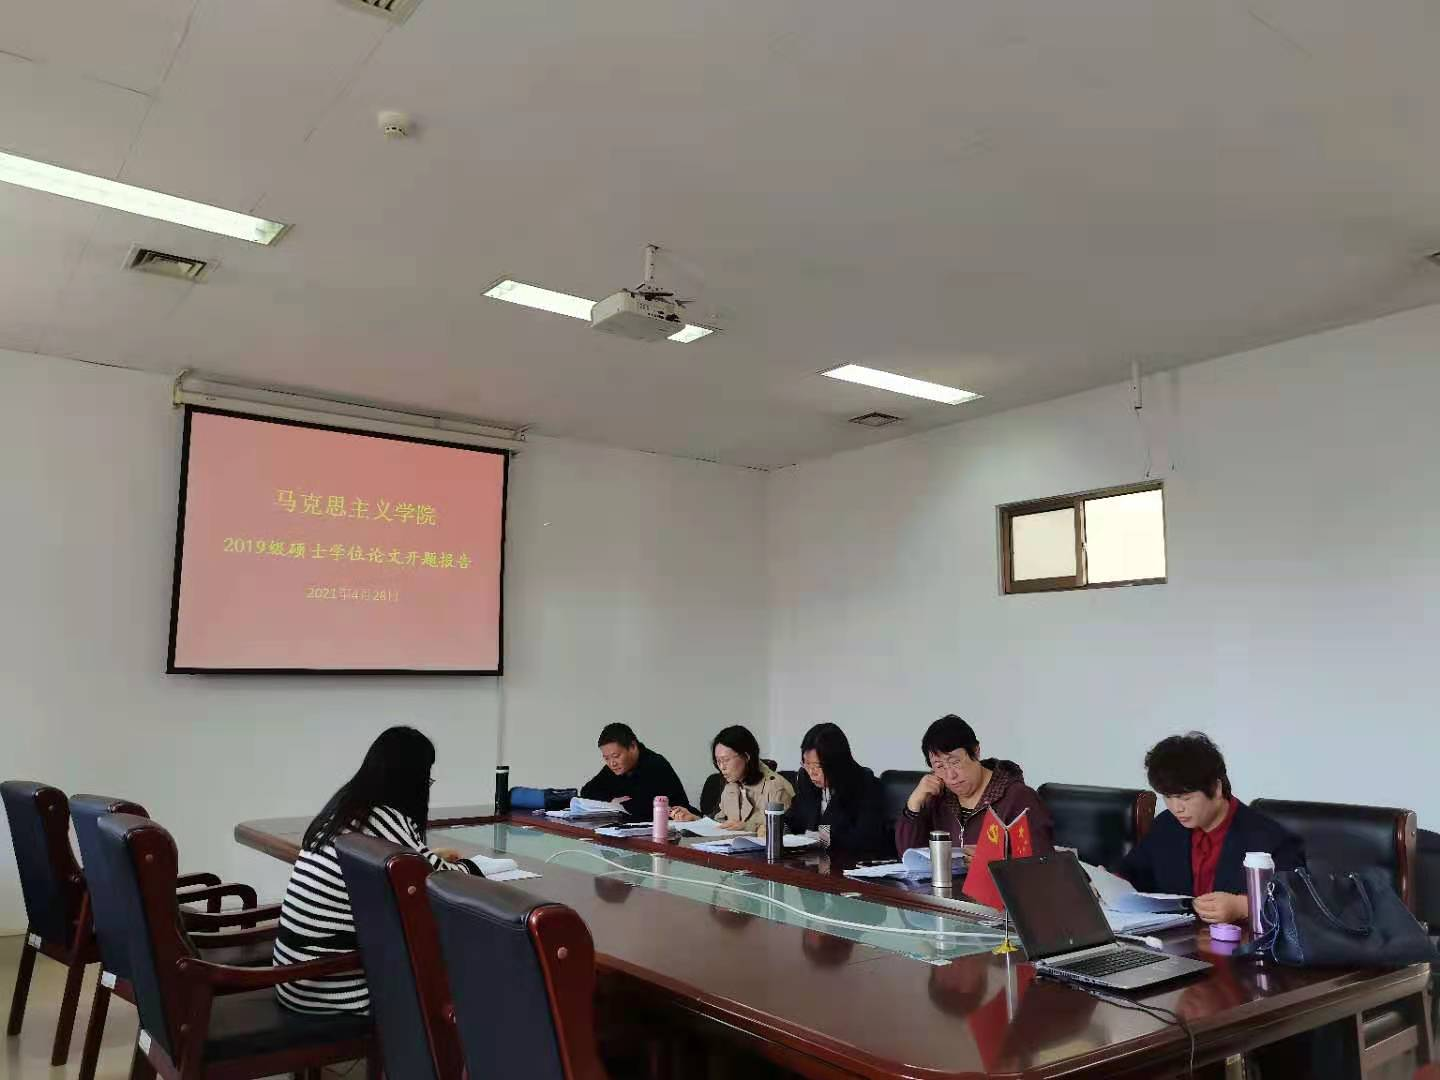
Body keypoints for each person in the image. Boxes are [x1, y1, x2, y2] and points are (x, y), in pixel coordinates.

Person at [273, 726, 483, 1014]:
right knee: (468, 962)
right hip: (333, 988)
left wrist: (429, 858)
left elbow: (416, 863)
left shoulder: (346, 809)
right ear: (412, 780)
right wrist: (474, 866)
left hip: (295, 978)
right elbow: (442, 880)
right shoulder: (385, 817)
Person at [1119, 731, 1304, 925]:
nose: (1176, 808)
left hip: (1242, 941)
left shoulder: (1271, 838)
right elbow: (1131, 873)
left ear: (1216, 788)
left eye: (1185, 798)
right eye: (1168, 797)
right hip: (1175, 938)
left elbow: (1298, 904)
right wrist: (1106, 884)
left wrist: (1244, 907)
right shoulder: (1166, 825)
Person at [895, 714, 1054, 855]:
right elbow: (909, 857)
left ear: (976, 752)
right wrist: (913, 806)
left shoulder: (1019, 798)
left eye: (955, 762)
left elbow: (1040, 865)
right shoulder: (938, 798)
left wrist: (994, 862)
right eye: (939, 766)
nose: (950, 775)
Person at [782, 722, 891, 856]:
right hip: (811, 860)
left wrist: (818, 837)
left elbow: (864, 838)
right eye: (806, 764)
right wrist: (781, 829)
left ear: (836, 763)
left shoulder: (865, 784)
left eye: (817, 766)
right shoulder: (806, 780)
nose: (811, 773)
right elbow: (792, 819)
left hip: (847, 862)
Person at [670, 725, 793, 833]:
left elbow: (786, 831)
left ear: (746, 756)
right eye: (718, 761)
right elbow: (720, 823)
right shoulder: (732, 785)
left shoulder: (776, 787)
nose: (722, 767)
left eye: (726, 760)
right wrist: (694, 819)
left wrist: (747, 827)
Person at [579, 722, 692, 819]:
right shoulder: (616, 768)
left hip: (675, 827)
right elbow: (587, 791)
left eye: (616, 756)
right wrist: (611, 800)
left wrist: (617, 804)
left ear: (633, 746)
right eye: (606, 758)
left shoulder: (655, 764)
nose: (612, 763)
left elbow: (641, 808)